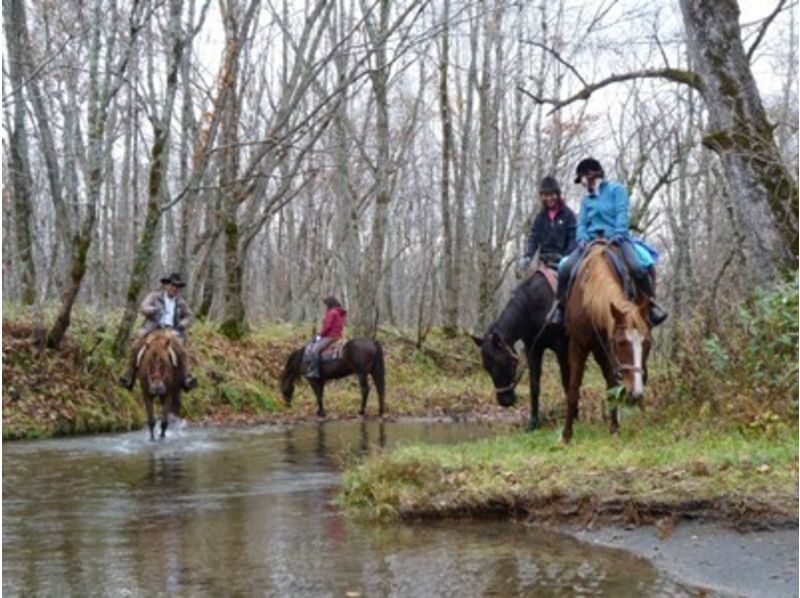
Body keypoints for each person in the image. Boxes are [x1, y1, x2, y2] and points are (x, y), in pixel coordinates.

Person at [552, 158, 667, 326]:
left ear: (592, 175)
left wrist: (619, 233)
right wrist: (582, 238)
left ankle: (650, 306)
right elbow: (582, 224)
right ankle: (561, 309)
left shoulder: (617, 190)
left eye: (582, 179)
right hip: (591, 242)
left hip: (617, 239)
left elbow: (621, 213)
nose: (582, 184)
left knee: (638, 268)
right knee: (565, 268)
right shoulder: (586, 201)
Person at [118, 273, 198, 391]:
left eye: (177, 287)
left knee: (182, 351)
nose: (174, 289)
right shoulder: (155, 296)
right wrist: (154, 310)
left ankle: (186, 377)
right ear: (166, 285)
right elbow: (143, 307)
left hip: (171, 331)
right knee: (136, 347)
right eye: (172, 285)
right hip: (153, 329)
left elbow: (190, 316)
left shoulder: (180, 302)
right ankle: (129, 375)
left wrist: (181, 325)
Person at [517, 176, 577, 273]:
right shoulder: (540, 217)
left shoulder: (568, 215)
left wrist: (567, 257)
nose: (549, 199)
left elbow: (573, 238)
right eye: (545, 195)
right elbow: (533, 238)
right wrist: (528, 256)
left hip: (563, 262)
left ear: (557, 194)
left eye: (551, 195)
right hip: (545, 262)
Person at [305, 295, 347, 379]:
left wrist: (321, 335)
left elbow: (328, 326)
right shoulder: (339, 312)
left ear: (329, 304)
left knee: (315, 349)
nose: (325, 306)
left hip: (331, 336)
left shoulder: (332, 313)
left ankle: (315, 371)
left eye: (326, 304)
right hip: (338, 335)